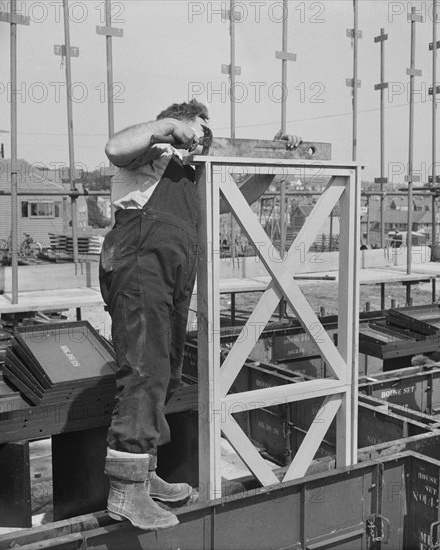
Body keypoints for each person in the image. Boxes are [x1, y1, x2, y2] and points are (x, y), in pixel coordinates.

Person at [99, 99, 302, 530]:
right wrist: (168, 126)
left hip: (170, 269)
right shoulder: (150, 155)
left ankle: (145, 470)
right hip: (141, 261)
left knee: (168, 370)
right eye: (196, 132)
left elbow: (229, 203)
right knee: (145, 368)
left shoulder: (191, 179)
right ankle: (125, 490)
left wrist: (268, 166)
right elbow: (115, 146)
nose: (200, 141)